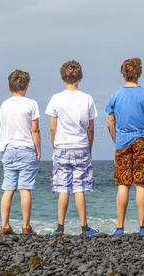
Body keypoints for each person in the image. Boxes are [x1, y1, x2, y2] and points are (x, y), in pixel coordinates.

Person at [45, 60, 99, 236]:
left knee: (63, 187)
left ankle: (60, 228)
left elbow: (53, 127)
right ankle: (84, 227)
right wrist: (89, 146)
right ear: (80, 78)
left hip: (62, 145)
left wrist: (55, 144)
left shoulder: (56, 98)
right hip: (81, 145)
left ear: (63, 78)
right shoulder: (87, 98)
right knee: (79, 187)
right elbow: (90, 128)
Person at [105, 58, 144, 235]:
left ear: (123, 74)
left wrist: (116, 139)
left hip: (122, 142)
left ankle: (120, 227)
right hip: (142, 140)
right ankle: (143, 226)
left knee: (123, 184)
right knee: (141, 183)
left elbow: (110, 122)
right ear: (139, 73)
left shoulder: (115, 95)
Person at [0, 69, 41, 235]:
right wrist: (38, 151)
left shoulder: (5, 105)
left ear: (9, 86)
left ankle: (5, 225)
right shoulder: (32, 104)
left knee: (8, 188)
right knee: (25, 189)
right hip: (26, 148)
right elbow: (34, 130)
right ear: (27, 86)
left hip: (9, 149)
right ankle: (25, 226)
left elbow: (4, 125)